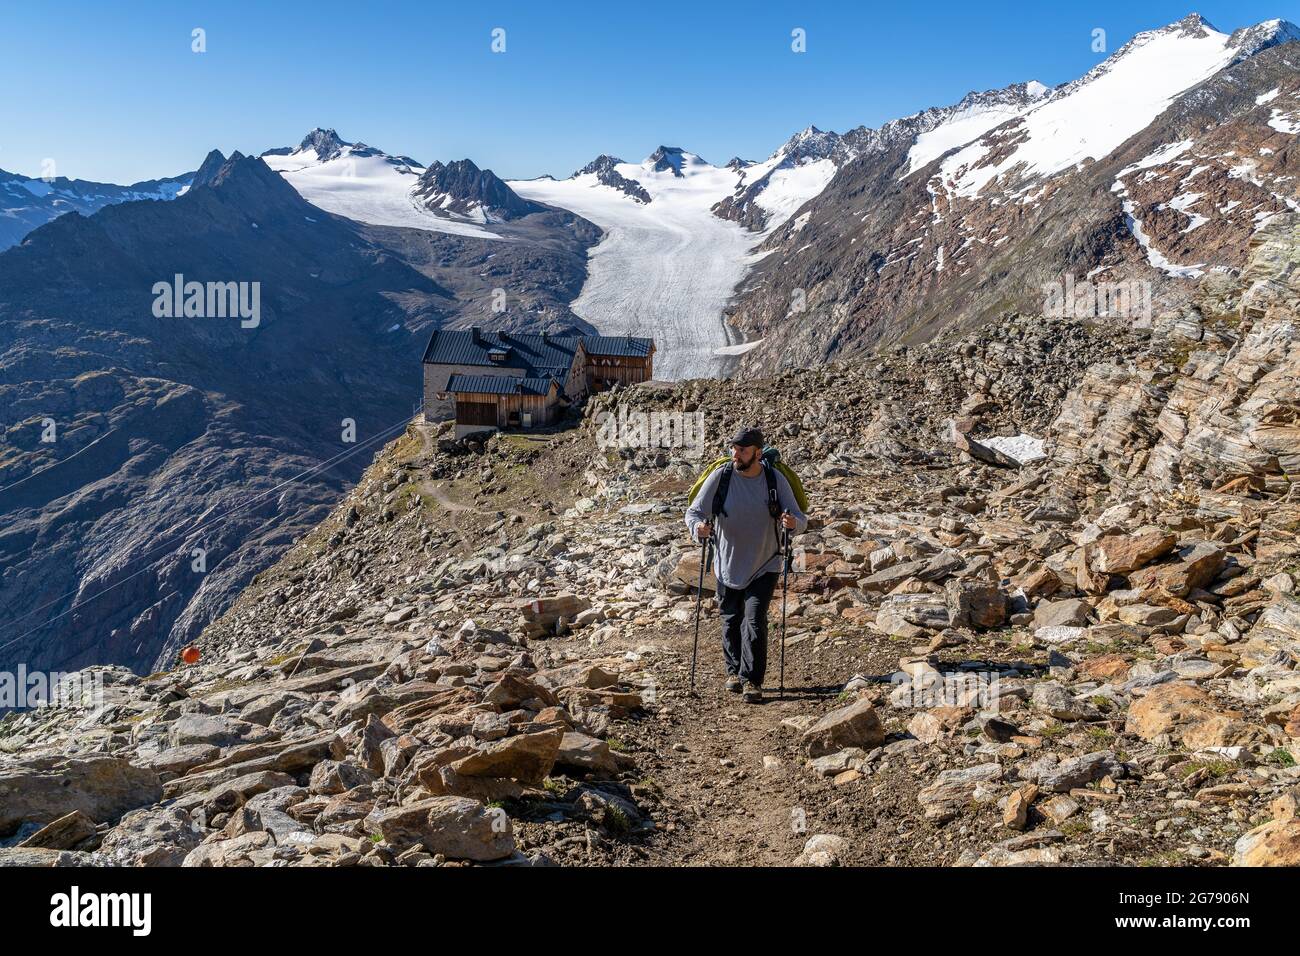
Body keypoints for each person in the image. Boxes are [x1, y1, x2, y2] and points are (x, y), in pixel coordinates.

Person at [685, 426, 807, 703]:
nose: (735, 455)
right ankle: (733, 671)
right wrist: (698, 529)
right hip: (726, 562)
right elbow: (694, 512)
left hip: (766, 562)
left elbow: (800, 517)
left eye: (742, 450)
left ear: (757, 453)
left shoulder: (774, 480)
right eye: (734, 449)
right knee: (730, 619)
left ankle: (752, 680)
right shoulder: (722, 477)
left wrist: (793, 524)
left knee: (754, 619)